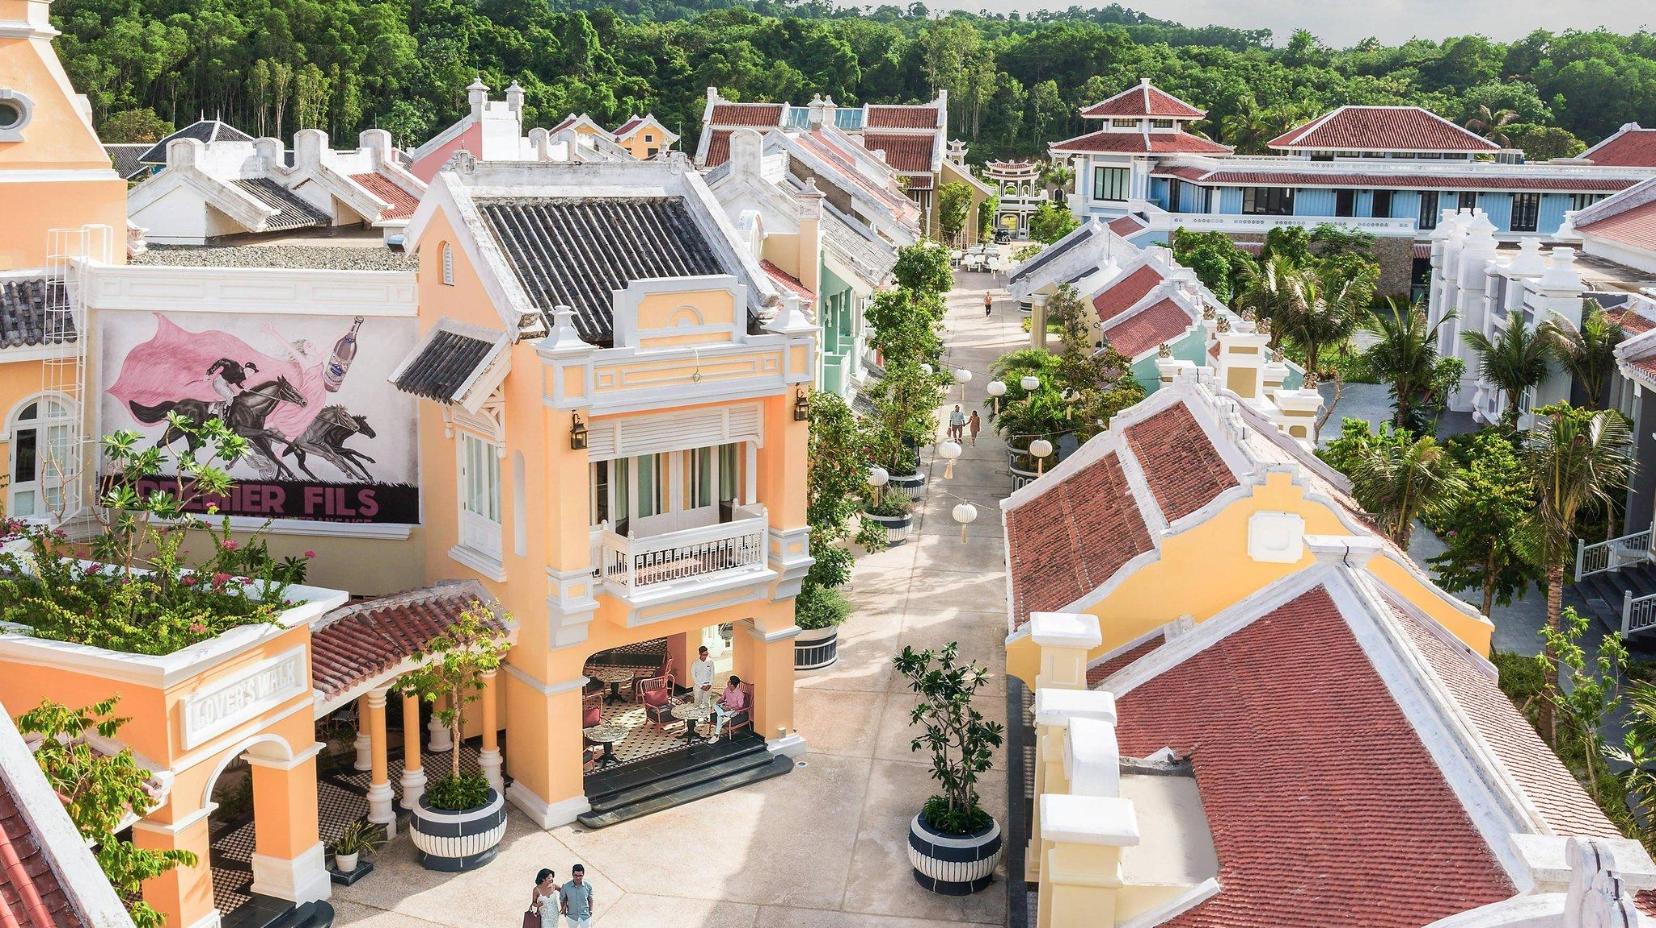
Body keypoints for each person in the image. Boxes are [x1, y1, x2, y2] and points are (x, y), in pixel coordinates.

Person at [707, 675, 749, 743]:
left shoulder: (739, 694)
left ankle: (716, 735)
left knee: (719, 717)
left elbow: (740, 706)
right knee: (714, 704)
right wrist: (717, 703)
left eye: (729, 681)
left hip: (734, 710)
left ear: (732, 685)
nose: (727, 682)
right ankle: (722, 714)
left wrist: (729, 708)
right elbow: (722, 698)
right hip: (725, 707)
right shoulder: (727, 689)